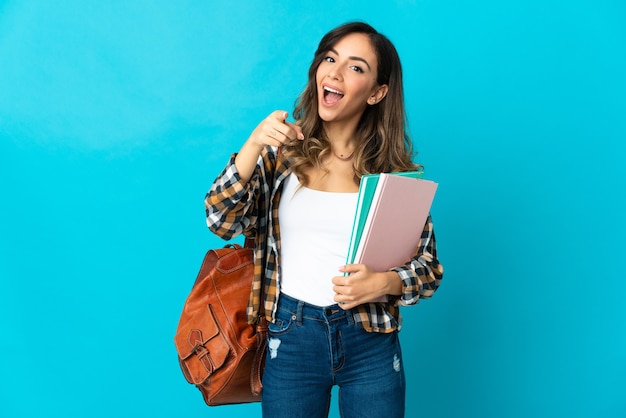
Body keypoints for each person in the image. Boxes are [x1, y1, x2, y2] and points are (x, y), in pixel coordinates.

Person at [205, 21, 443, 418]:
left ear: (377, 92)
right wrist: (253, 144)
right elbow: (220, 219)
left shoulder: (392, 176)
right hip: (290, 334)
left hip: (370, 341)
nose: (334, 72)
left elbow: (429, 269)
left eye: (355, 67)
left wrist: (384, 283)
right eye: (329, 59)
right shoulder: (281, 158)